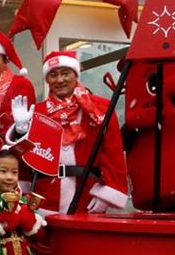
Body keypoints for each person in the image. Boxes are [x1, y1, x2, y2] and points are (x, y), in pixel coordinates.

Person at [26, 51, 128, 215]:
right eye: (53, 75)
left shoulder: (100, 109)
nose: (60, 80)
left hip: (86, 193)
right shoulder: (36, 112)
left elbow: (113, 154)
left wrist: (108, 194)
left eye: (65, 73)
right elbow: (27, 159)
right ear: (47, 80)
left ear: (75, 75)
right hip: (45, 196)